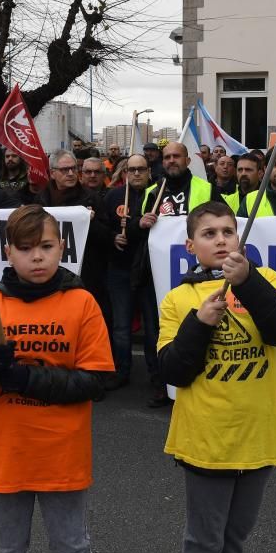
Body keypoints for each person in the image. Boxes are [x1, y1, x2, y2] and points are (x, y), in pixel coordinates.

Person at [0, 204, 113, 553]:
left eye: (45, 245)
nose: (37, 256)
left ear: (62, 247)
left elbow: (95, 382)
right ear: (8, 252)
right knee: (5, 551)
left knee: (72, 549)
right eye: (25, 248)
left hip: (61, 458)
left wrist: (26, 380)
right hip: (4, 457)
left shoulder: (82, 303)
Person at [158, 201, 276, 553]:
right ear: (191, 246)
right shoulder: (177, 299)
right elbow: (173, 371)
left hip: (259, 436)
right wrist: (199, 324)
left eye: (227, 232)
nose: (221, 241)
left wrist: (248, 282)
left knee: (235, 539)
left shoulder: (267, 280)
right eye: (209, 234)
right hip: (207, 440)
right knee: (204, 543)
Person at [102, 154, 161, 401]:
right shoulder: (114, 196)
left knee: (153, 327)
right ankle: (121, 371)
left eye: (141, 169)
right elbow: (103, 226)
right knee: (121, 326)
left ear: (149, 171)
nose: (136, 174)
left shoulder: (158, 195)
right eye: (131, 169)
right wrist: (113, 236)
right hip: (120, 269)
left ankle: (156, 375)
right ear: (125, 172)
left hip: (149, 271)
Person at [40, 151, 113, 331]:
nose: (71, 174)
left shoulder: (91, 198)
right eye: (65, 170)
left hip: (87, 276)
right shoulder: (42, 199)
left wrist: (91, 222)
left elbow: (108, 237)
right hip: (51, 275)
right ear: (53, 173)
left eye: (73, 168)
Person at [143, 141, 214, 216]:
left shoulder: (208, 189)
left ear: (187, 161)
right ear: (163, 163)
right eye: (167, 157)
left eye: (176, 156)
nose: (171, 161)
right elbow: (135, 221)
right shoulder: (151, 192)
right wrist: (141, 223)